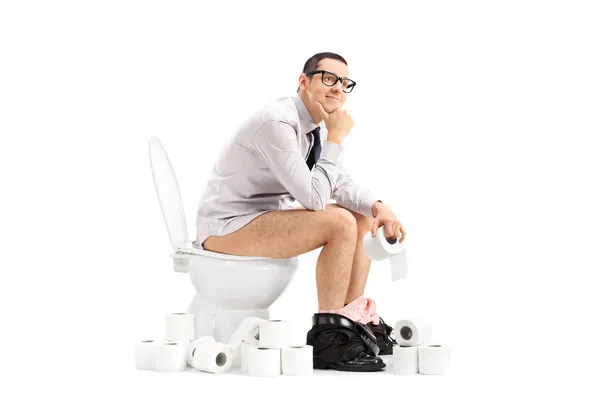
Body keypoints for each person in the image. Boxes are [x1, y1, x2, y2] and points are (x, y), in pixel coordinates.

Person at [195, 52, 406, 372]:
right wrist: (335, 139)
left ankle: (349, 322)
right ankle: (327, 339)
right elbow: (314, 199)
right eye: (328, 78)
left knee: (361, 216)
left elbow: (337, 182)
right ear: (303, 81)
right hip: (226, 226)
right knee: (337, 221)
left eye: (344, 82)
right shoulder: (278, 124)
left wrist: (379, 206)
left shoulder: (314, 128)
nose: (337, 88)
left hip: (261, 218)